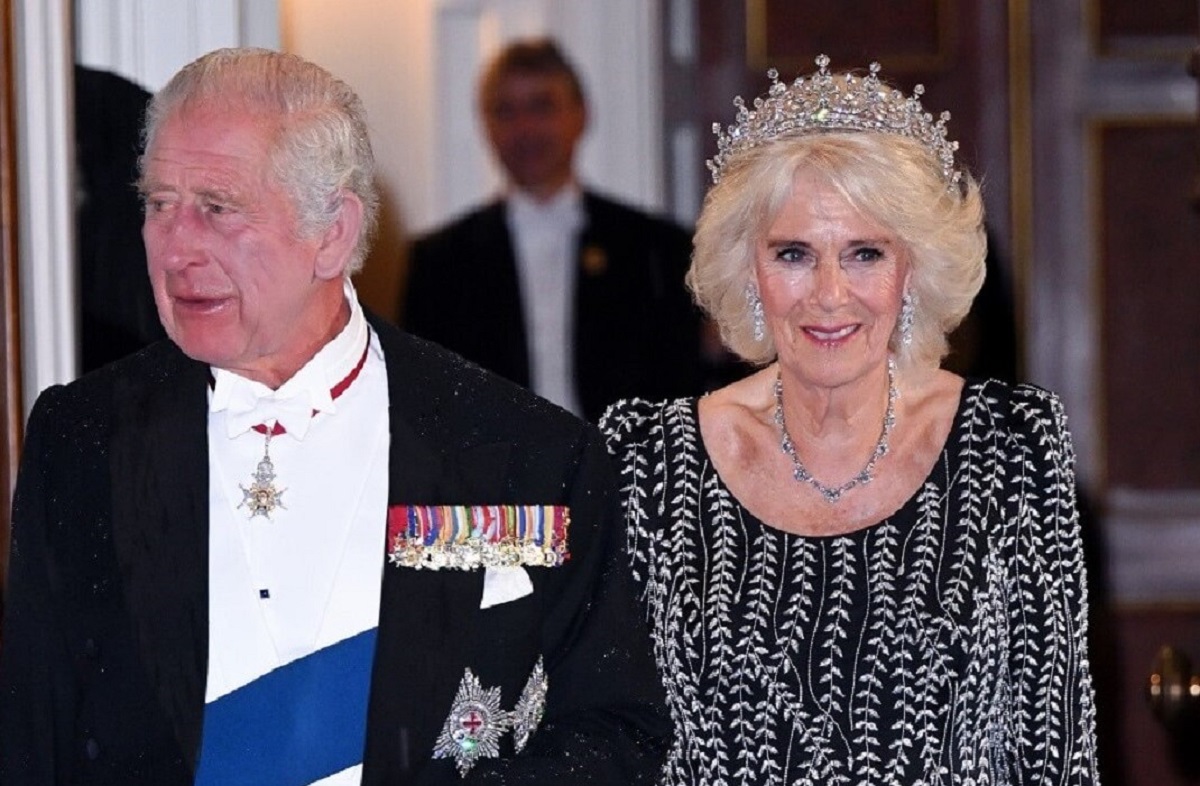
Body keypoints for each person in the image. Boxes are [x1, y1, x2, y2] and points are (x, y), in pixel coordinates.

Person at [0, 47, 668, 785]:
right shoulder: (81, 437)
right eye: (159, 205)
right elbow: (33, 734)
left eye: (217, 209)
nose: (177, 247)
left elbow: (614, 732)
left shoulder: (525, 452)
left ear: (333, 233)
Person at [600, 56, 1101, 784]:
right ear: (748, 269)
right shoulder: (649, 462)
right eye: (795, 254)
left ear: (913, 269)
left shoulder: (1010, 449)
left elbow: (1054, 754)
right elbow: (613, 740)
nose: (829, 295)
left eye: (865, 253)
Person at [403, 38, 703, 421]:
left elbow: (678, 390)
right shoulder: (441, 262)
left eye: (542, 107)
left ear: (581, 115)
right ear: (487, 126)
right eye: (505, 111)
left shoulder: (652, 249)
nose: (524, 128)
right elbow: (424, 405)